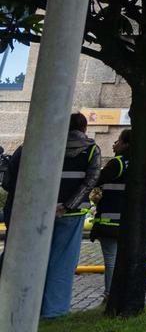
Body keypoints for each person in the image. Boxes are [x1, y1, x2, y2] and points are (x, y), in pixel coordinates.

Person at [2, 112, 102, 316]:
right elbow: (91, 180)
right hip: (71, 214)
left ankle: (20, 305)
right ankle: (53, 309)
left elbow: (11, 182)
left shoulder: (41, 144)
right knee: (63, 262)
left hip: (36, 213)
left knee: (28, 258)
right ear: (84, 129)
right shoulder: (91, 150)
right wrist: (67, 206)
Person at [90, 129, 132, 298]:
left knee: (111, 259)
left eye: (118, 141)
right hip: (129, 221)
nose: (115, 144)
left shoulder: (117, 163)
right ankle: (124, 292)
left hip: (111, 222)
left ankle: (110, 293)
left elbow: (96, 179)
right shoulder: (141, 163)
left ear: (126, 144)